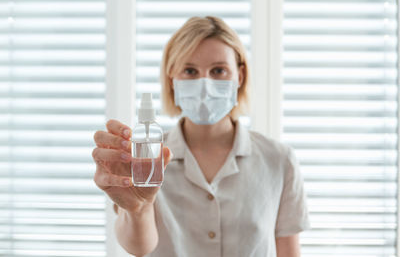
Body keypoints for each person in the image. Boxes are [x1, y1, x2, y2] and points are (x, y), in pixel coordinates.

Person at [92, 16, 310, 257]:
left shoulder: (279, 159)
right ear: (172, 78)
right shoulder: (145, 158)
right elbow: (139, 247)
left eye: (218, 70)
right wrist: (138, 208)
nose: (204, 84)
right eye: (190, 71)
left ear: (240, 75)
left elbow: (288, 252)